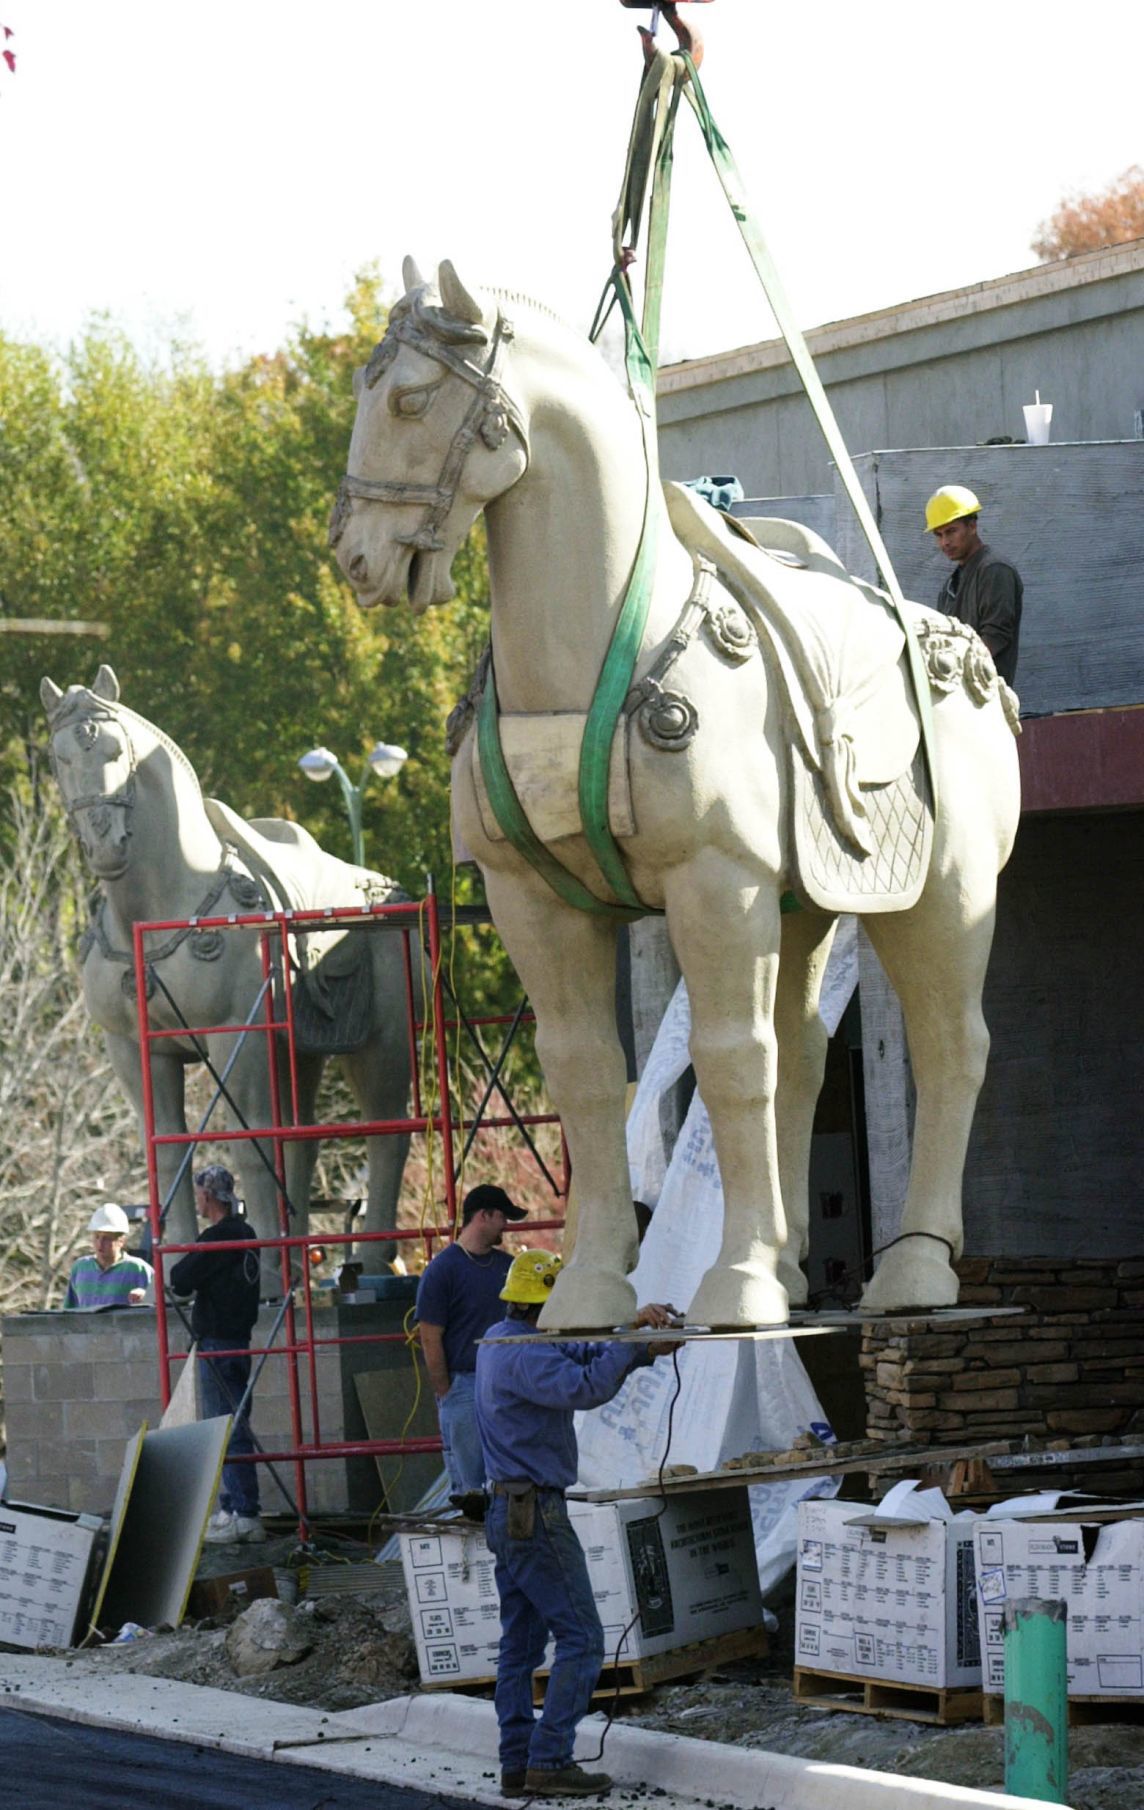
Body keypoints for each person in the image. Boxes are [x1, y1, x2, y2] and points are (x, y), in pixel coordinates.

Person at [475, 1249, 677, 1799]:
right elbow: (584, 1387)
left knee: (520, 1645)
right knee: (583, 1638)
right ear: (547, 1303)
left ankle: (518, 1761)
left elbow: (579, 1351)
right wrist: (629, 1347)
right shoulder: (526, 1354)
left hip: (510, 1510)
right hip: (534, 1513)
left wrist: (632, 1338)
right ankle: (550, 1758)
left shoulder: (504, 1338)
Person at [169, 1164, 264, 1545]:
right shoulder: (247, 1235)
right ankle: (233, 1506)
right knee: (231, 1422)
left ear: (207, 1196)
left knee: (227, 1426)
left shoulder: (220, 1238)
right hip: (237, 1340)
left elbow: (179, 1279)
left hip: (219, 1343)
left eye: (199, 1194)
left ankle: (244, 1512)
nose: (197, 1200)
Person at [415, 1183, 529, 1498]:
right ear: (484, 1215)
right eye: (502, 1217)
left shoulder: (506, 1267)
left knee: (504, 1473)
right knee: (473, 1486)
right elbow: (429, 1337)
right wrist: (446, 1389)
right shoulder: (444, 1270)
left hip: (501, 1382)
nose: (505, 1225)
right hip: (466, 1382)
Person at [925, 484, 1023, 685]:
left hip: (985, 696)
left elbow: (995, 638)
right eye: (939, 534)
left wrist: (954, 672)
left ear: (972, 526)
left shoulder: (995, 570)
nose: (945, 542)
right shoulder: (951, 585)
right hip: (960, 694)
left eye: (951, 531)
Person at [64, 1203, 153, 1309]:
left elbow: (158, 1305)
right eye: (97, 1237)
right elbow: (69, 1312)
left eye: (107, 1238)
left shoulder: (139, 1269)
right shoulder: (80, 1268)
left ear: (121, 1241)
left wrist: (145, 1296)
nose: (100, 1243)